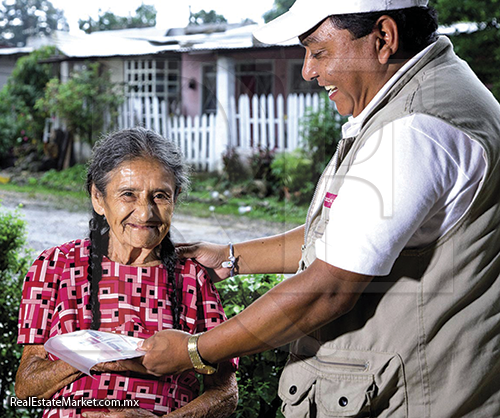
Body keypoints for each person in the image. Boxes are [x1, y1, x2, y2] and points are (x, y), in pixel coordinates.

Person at [133, 1, 500, 417]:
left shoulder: (412, 129)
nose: (308, 70)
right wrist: (232, 257)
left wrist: (195, 349)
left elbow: (328, 289)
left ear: (383, 38)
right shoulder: (439, 90)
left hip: (419, 398)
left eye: (319, 51)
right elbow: (348, 234)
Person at [15, 127, 238, 418]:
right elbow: (26, 391)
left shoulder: (192, 279)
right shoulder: (55, 265)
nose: (145, 213)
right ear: (98, 197)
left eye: (160, 195)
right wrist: (101, 355)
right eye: (128, 195)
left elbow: (225, 392)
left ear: (176, 197)